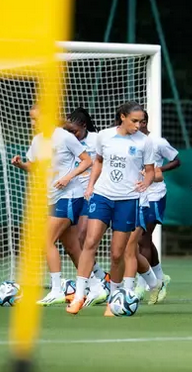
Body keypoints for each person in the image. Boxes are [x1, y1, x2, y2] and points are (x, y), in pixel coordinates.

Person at [66, 101, 155, 316]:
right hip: (103, 196)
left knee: (117, 254)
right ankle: (79, 295)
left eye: (141, 121)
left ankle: (114, 299)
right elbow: (97, 162)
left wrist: (146, 182)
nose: (138, 125)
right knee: (89, 241)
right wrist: (90, 185)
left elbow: (150, 171)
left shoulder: (145, 142)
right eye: (134, 121)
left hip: (128, 200)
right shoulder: (104, 137)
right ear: (122, 117)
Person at [11, 105, 92, 306]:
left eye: (36, 119)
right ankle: (97, 284)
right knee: (73, 247)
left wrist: (67, 177)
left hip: (70, 195)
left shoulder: (64, 137)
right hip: (52, 198)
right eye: (31, 119)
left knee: (46, 240)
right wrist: (22, 165)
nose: (33, 123)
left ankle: (56, 289)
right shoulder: (37, 141)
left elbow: (87, 161)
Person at [64, 107, 109, 307]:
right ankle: (98, 277)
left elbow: (105, 162)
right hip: (72, 193)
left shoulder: (97, 139)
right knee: (71, 241)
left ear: (83, 126)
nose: (73, 135)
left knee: (83, 237)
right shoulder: (67, 141)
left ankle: (97, 283)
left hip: (93, 192)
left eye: (75, 131)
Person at [137, 111, 180, 303]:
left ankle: (140, 285)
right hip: (136, 195)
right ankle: (159, 278)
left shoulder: (157, 142)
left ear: (145, 122)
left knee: (142, 238)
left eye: (139, 121)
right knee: (142, 240)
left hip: (155, 195)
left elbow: (177, 160)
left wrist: (159, 170)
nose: (136, 124)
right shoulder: (129, 142)